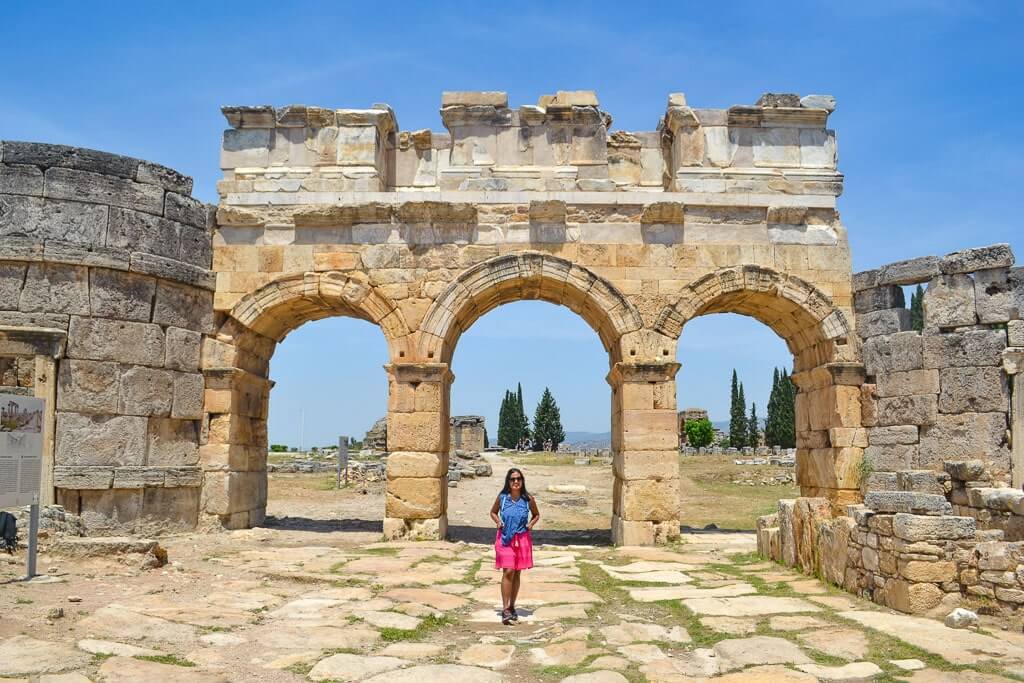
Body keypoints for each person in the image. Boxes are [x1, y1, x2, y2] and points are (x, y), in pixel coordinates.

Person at [490, 467, 540, 625]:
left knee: (517, 573)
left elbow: (536, 514)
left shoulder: (528, 499)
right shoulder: (502, 498)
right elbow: (493, 512)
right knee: (508, 571)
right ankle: (505, 609)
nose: (516, 481)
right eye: (512, 479)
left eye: (518, 479)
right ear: (508, 481)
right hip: (505, 539)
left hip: (522, 539)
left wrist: (531, 524)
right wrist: (498, 522)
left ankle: (512, 606)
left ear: (522, 481)